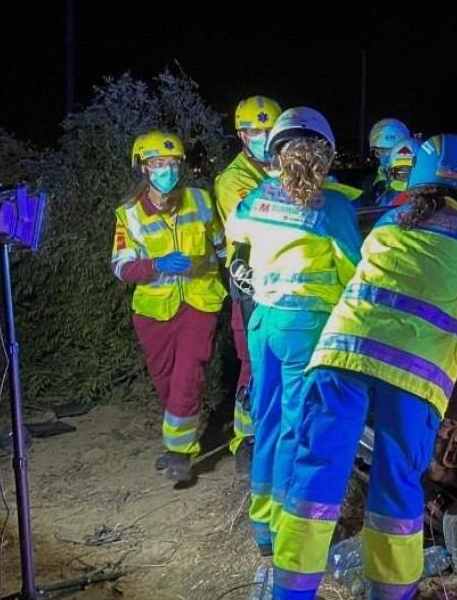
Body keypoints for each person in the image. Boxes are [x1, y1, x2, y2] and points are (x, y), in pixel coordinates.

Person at [270, 134, 457, 600]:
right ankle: (391, 593)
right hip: (413, 369)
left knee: (315, 472)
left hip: (341, 354)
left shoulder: (391, 219)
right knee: (396, 484)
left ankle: (288, 591)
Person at [226, 107, 362, 555]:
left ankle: (262, 525)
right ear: (325, 155)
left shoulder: (258, 197)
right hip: (306, 329)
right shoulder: (333, 206)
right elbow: (354, 271)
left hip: (263, 322)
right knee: (296, 428)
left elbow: (236, 230)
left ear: (276, 153)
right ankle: (287, 526)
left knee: (266, 422)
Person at [111, 129, 227, 484]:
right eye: (159, 163)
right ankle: (177, 435)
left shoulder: (201, 200)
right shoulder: (129, 214)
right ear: (144, 168)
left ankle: (179, 452)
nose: (168, 170)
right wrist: (156, 264)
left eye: (173, 162)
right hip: (153, 310)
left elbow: (222, 245)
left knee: (188, 374)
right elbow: (121, 267)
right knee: (165, 381)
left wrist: (230, 269)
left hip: (200, 299)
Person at [215, 95, 283, 476]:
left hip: (285, 276)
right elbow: (260, 219)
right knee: (254, 361)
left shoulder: (284, 167)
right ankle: (246, 439)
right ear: (242, 135)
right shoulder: (234, 180)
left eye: (270, 130)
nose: (265, 137)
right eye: (256, 131)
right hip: (250, 280)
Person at [366, 117, 418, 207]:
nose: (385, 157)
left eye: (390, 150)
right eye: (380, 151)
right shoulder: (372, 183)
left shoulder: (418, 179)